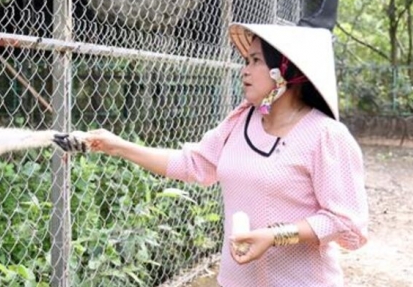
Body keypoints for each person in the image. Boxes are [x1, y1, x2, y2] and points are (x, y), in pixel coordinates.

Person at [54, 23, 369, 287]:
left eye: (256, 61)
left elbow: (345, 222)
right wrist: (115, 145)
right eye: (246, 60)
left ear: (285, 71)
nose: (244, 70)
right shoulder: (239, 121)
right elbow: (193, 164)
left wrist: (274, 236)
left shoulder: (326, 136)